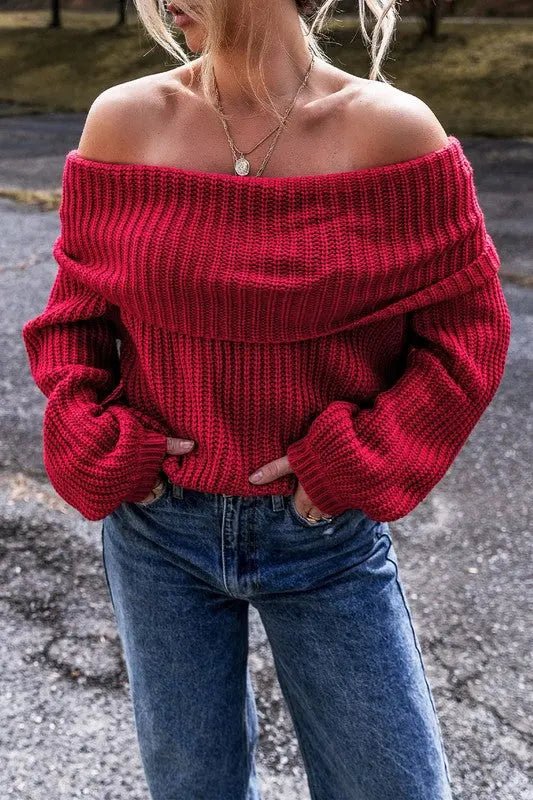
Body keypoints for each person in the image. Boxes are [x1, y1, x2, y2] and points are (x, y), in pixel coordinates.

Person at [21, 0, 512, 798]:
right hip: (156, 533)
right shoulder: (124, 121)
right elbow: (75, 315)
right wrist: (96, 441)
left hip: (322, 539)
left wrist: (356, 465)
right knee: (192, 787)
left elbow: (467, 335)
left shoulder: (392, 133)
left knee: (389, 786)